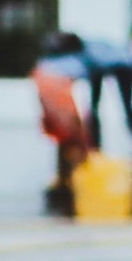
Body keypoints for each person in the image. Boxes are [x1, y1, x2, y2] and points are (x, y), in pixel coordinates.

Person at [34, 36, 92, 215]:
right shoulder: (82, 62)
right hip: (58, 94)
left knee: (66, 142)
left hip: (48, 89)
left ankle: (64, 191)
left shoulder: (49, 65)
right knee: (74, 142)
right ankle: (69, 197)